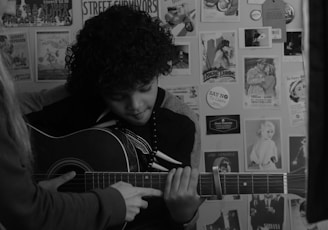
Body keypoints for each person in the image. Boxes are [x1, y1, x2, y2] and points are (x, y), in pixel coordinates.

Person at [23, 5, 202, 230]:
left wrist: (185, 215)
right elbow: (10, 116)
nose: (136, 106)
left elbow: (189, 218)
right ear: (99, 86)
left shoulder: (182, 122)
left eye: (145, 87)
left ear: (157, 71)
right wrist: (28, 196)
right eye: (118, 96)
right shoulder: (73, 101)